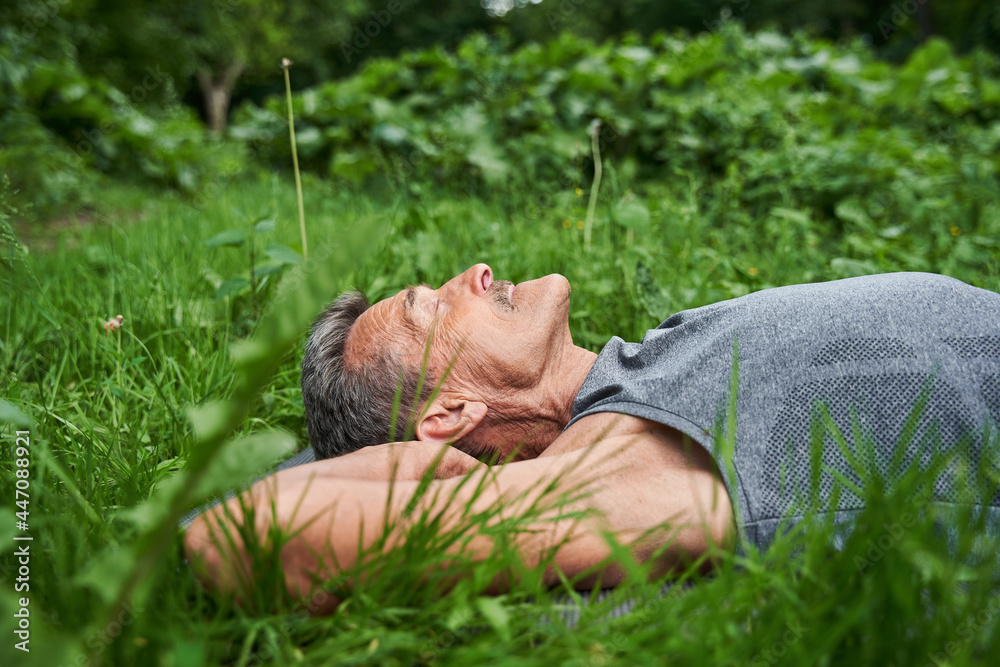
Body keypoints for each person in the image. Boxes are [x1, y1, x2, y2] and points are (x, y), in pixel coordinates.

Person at [184, 265, 1000, 612]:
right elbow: (242, 537)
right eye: (431, 306)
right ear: (446, 417)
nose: (475, 273)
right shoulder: (609, 465)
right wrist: (427, 463)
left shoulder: (640, 384)